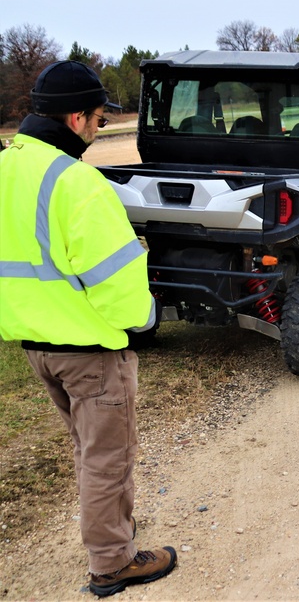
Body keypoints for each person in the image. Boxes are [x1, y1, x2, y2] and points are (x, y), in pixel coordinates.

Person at [0, 61, 177, 596]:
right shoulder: (78, 183)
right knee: (107, 456)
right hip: (89, 349)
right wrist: (145, 319)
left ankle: (111, 528)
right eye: (99, 119)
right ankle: (112, 562)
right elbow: (116, 280)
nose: (99, 130)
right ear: (76, 117)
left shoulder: (8, 167)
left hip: (35, 344)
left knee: (88, 447)